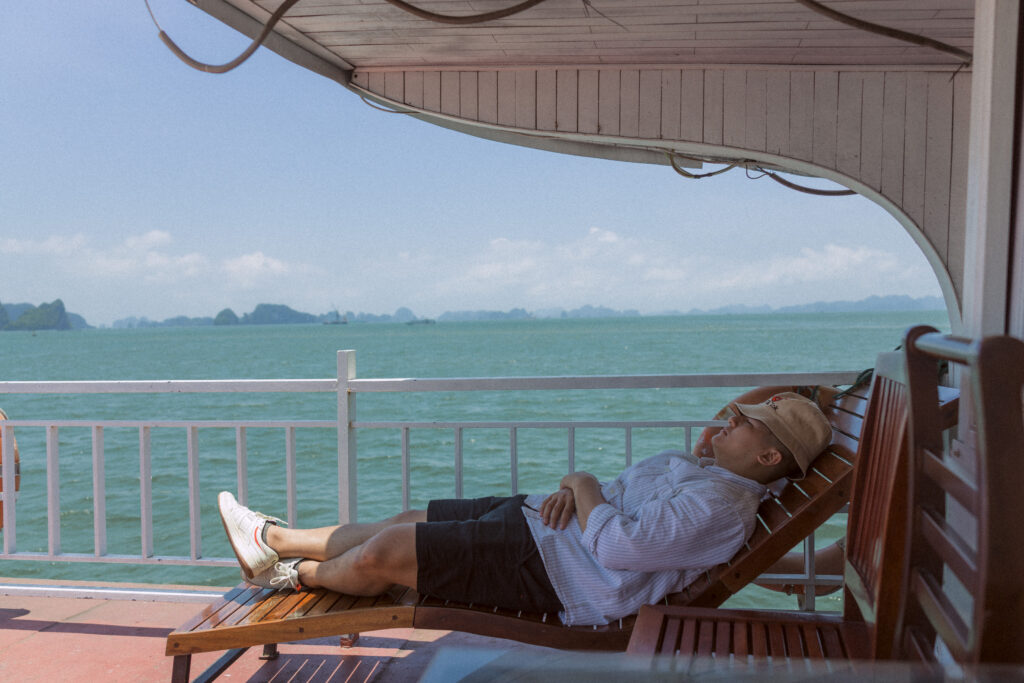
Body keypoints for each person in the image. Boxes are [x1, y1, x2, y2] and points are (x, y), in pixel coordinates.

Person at [218, 392, 831, 626]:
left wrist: (583, 483)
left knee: (386, 554)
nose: (729, 422)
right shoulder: (698, 471)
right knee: (409, 520)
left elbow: (619, 548)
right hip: (542, 523)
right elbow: (610, 500)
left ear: (771, 456)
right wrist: (578, 492)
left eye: (746, 424)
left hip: (557, 575)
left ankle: (286, 573)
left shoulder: (724, 508)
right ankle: (275, 535)